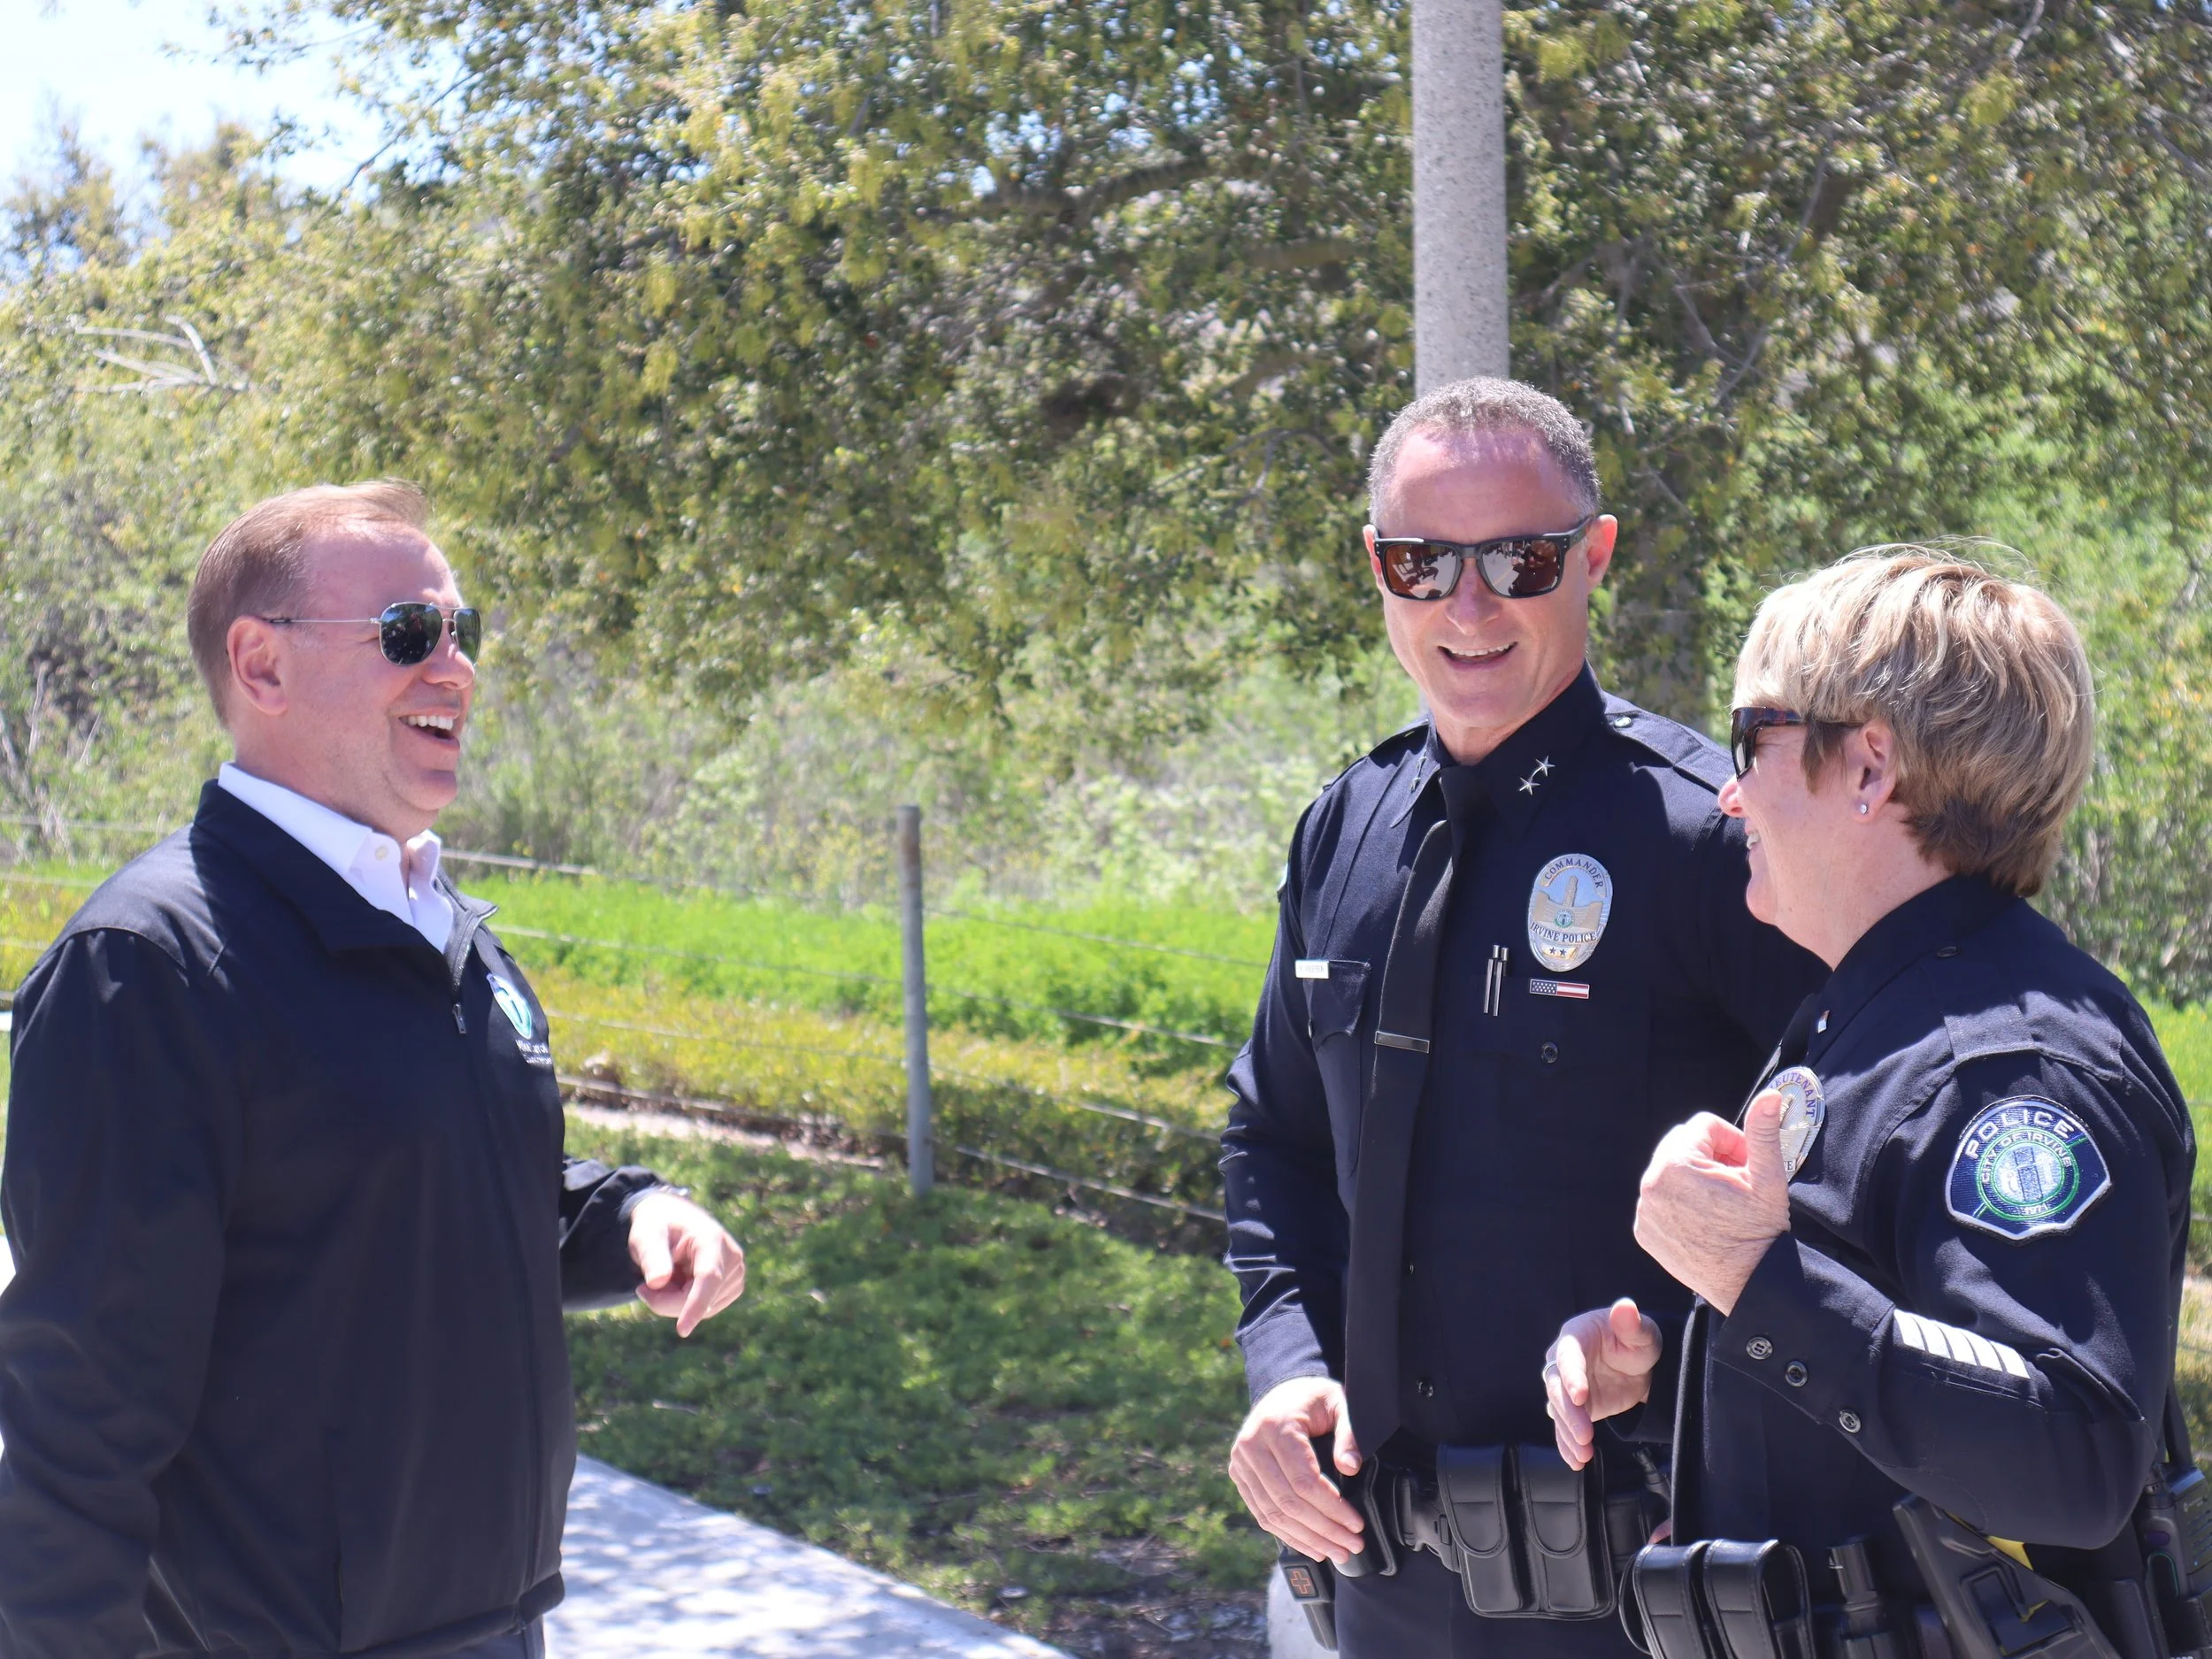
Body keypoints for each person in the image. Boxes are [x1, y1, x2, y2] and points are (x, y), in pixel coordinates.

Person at [0, 480, 748, 1658]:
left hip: (493, 1626)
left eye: (465, 630)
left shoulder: (442, 922)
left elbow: (452, 1190)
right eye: (409, 631)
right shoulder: (147, 965)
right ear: (262, 666)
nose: (454, 666)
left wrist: (639, 1209)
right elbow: (78, 1413)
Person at [1221, 378, 1824, 1657]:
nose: (1470, 605)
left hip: (1638, 1586)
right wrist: (1286, 1365)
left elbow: (1848, 1176)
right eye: (1421, 561)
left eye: (1522, 558)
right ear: (1377, 568)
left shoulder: (1712, 838)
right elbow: (1270, 1138)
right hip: (1378, 1574)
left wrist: (1660, 1331)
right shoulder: (1348, 827)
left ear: (1594, 557)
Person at [1543, 551, 2193, 1658]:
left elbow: (2074, 1458)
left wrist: (1761, 1283)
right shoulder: (1875, 1014)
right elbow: (1891, 1388)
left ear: (1868, 769)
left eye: (1753, 737)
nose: (1730, 788)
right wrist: (1673, 1373)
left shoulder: (2006, 1065)